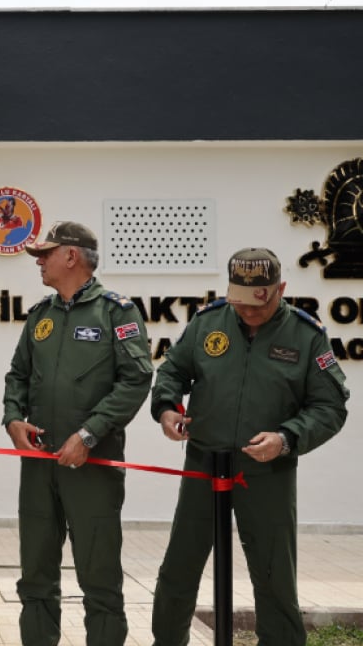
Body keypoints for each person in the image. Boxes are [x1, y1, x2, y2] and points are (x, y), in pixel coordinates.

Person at [149, 248, 348, 645]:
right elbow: (172, 371)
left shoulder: (306, 336)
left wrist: (287, 437)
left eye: (260, 302)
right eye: (241, 302)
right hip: (204, 463)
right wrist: (167, 408)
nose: (250, 312)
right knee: (180, 566)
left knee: (274, 573)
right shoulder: (208, 323)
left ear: (281, 289)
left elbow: (330, 407)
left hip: (267, 470)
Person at [1, 221, 151, 646]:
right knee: (35, 578)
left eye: (45, 254)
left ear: (71, 256)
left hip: (93, 466)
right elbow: (17, 375)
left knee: (99, 578)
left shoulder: (116, 312)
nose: (39, 262)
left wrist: (89, 434)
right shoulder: (41, 315)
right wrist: (13, 420)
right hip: (39, 467)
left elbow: (137, 379)